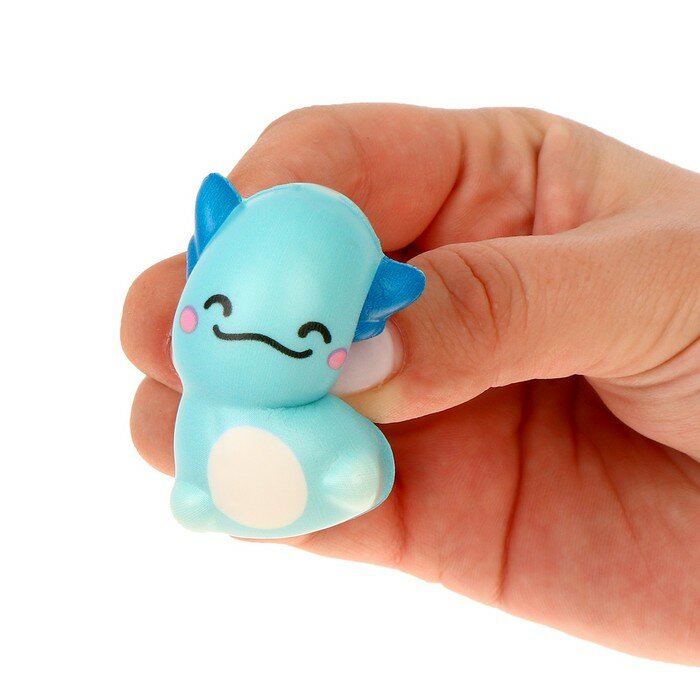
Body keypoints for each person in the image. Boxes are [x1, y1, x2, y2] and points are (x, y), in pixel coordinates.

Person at [121, 104, 699, 664]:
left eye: (310, 333)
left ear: (365, 324)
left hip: (325, 469)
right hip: (222, 453)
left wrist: (354, 473)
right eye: (217, 304)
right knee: (187, 450)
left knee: (347, 472)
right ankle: (204, 495)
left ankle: (320, 481)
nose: (249, 330)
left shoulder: (315, 389)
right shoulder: (207, 395)